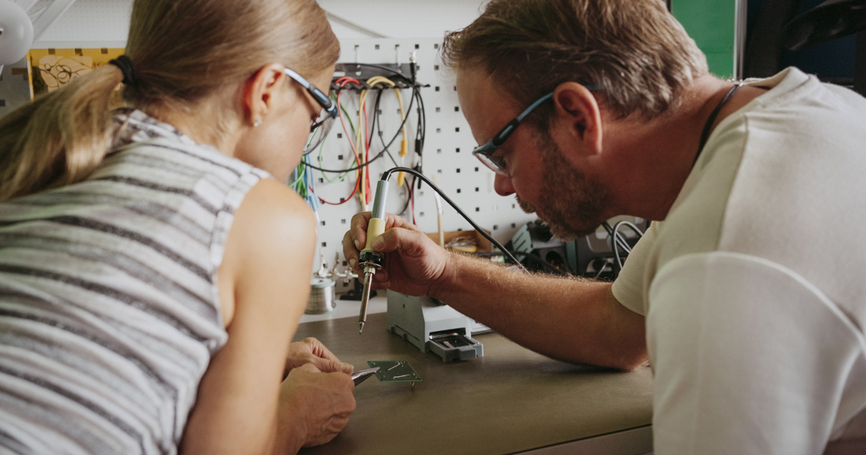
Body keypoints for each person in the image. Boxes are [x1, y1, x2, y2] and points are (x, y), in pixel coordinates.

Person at [343, 0, 866, 453]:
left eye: (501, 157)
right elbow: (619, 330)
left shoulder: (725, 251)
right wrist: (444, 275)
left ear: (578, 117)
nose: (504, 187)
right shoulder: (795, 117)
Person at [0, 0, 356, 453]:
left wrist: (253, 364)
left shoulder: (48, 153)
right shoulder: (266, 215)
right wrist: (297, 415)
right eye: (316, 111)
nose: (309, 133)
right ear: (266, 90)